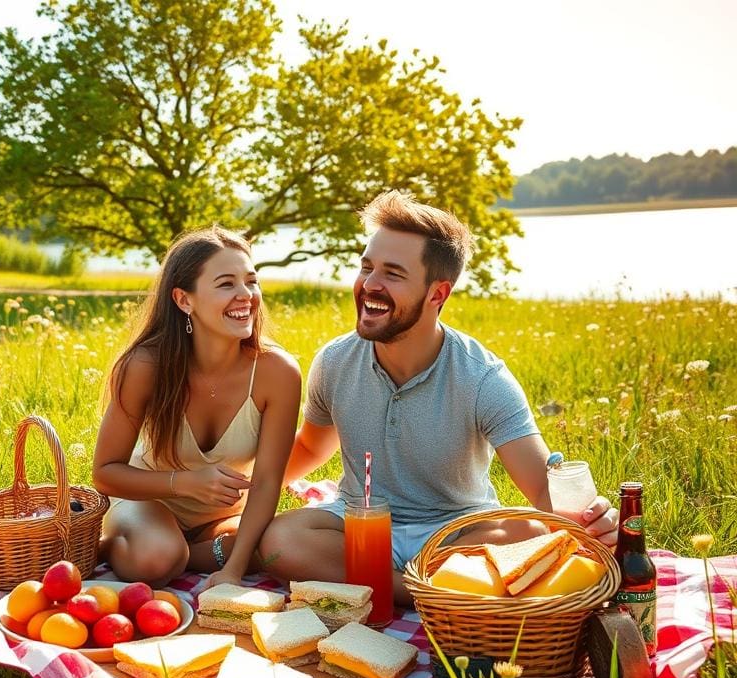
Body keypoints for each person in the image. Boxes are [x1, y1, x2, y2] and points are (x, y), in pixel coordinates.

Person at [258, 191, 618, 605]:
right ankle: (438, 593)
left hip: (457, 533)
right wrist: (250, 493)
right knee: (280, 541)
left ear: (436, 295)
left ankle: (381, 588)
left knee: (534, 533)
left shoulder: (483, 379)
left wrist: (592, 519)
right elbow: (309, 446)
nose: (370, 284)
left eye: (393, 273)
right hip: (358, 524)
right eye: (367, 266)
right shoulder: (335, 361)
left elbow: (542, 490)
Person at [93, 226, 301, 589]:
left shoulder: (277, 372)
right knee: (155, 559)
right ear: (184, 300)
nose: (246, 296)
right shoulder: (145, 366)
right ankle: (112, 546)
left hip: (223, 517)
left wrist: (232, 571)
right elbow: (105, 473)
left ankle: (187, 553)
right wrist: (184, 482)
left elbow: (267, 481)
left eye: (251, 281)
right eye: (226, 284)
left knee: (276, 550)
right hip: (150, 500)